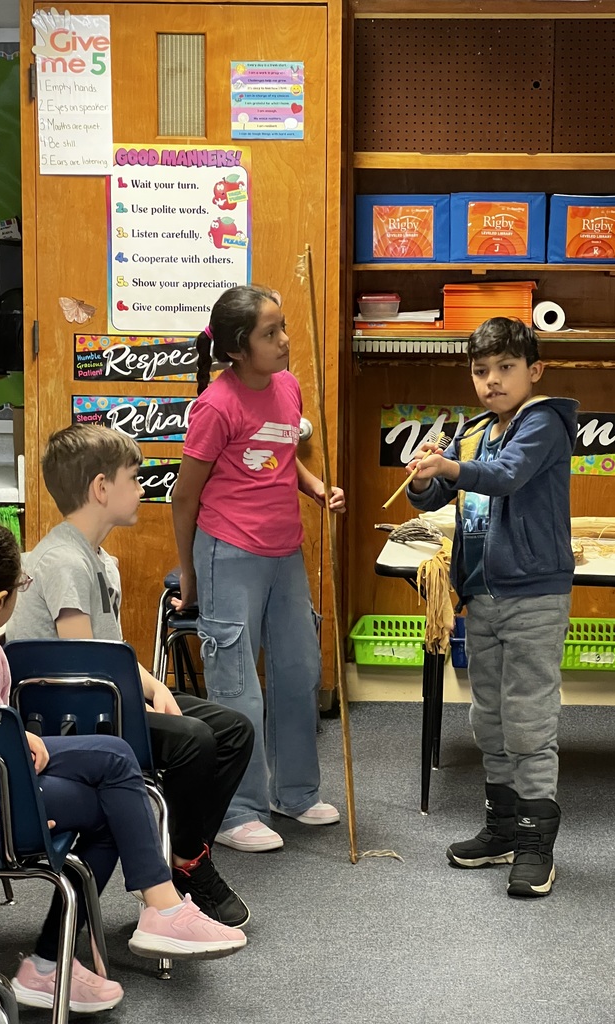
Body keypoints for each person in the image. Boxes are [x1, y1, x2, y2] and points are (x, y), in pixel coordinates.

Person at [5, 425, 254, 926]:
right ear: (101, 488)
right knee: (194, 741)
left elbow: (111, 652)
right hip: (70, 718)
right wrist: (139, 700)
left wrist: (156, 688)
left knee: (233, 731)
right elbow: (83, 659)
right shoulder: (63, 561)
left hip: (100, 700)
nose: (142, 488)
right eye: (134, 478)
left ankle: (184, 855)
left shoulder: (97, 559)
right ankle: (178, 863)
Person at [0, 525, 247, 1014]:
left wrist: (16, 734)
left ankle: (58, 962)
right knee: (116, 768)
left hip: (8, 781)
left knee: (115, 774)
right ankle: (156, 908)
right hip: (5, 805)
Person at [405, 317, 578, 898]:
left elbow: (505, 477)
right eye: (482, 370)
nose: (493, 381)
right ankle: (503, 828)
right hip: (480, 596)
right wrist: (425, 473)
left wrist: (452, 467)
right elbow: (437, 492)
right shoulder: (477, 428)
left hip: (533, 595)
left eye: (506, 368)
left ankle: (535, 843)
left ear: (534, 371)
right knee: (490, 720)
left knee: (529, 721)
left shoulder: (545, 422)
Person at [170, 284, 345, 853]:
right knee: (238, 687)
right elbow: (183, 498)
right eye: (271, 334)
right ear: (239, 348)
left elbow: (280, 459)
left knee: (298, 672)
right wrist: (191, 576)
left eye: (284, 327)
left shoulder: (289, 388)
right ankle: (234, 812)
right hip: (228, 553)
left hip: (284, 553)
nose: (285, 341)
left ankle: (292, 793)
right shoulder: (216, 405)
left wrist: (318, 488)